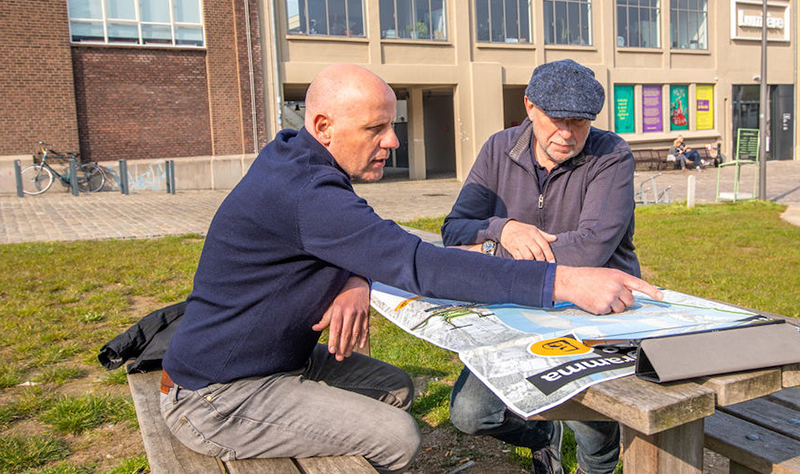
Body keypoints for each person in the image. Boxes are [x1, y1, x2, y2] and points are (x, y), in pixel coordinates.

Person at [159, 63, 660, 472]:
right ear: (323, 127)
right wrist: (563, 279)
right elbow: (417, 259)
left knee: (396, 387)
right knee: (399, 436)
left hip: (279, 361)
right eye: (375, 129)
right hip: (218, 395)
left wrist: (355, 276)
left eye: (392, 125)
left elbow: (369, 239)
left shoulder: (296, 161)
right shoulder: (309, 192)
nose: (393, 141)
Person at [441, 59, 638, 474]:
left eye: (579, 122)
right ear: (529, 106)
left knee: (594, 433)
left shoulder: (612, 154)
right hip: (513, 306)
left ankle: (595, 467)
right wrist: (504, 227)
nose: (566, 134)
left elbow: (589, 251)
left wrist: (490, 252)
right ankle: (544, 436)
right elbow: (455, 230)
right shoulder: (499, 147)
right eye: (555, 119)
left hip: (594, 309)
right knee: (470, 414)